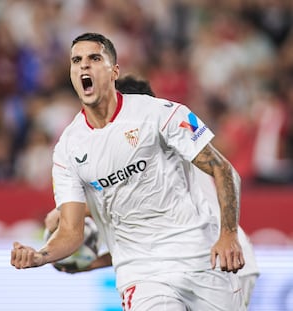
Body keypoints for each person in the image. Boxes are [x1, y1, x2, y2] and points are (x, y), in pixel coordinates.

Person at [11, 32, 246, 310]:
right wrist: (40, 256)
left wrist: (228, 234)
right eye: (76, 60)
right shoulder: (67, 149)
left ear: (114, 71)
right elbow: (71, 232)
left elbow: (222, 169)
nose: (84, 66)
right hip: (141, 274)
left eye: (94, 58)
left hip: (201, 257)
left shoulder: (162, 113)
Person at [44, 74, 259, 307]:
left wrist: (69, 217)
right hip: (207, 258)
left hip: (219, 258)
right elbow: (150, 245)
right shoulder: (157, 143)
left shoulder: (151, 149)